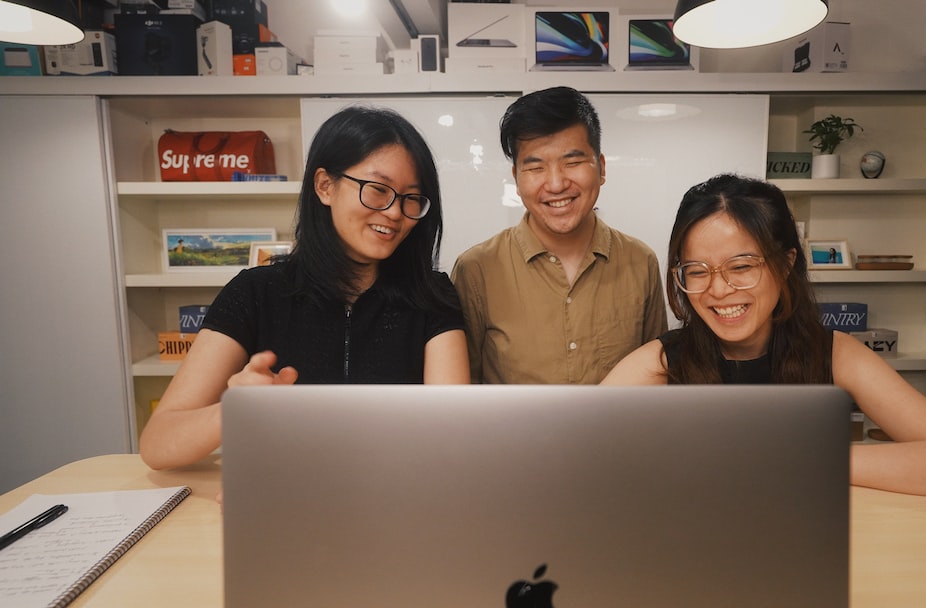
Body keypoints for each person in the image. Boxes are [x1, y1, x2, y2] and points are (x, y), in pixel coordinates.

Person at [603, 174, 926, 498]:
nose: (719, 290)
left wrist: (795, 459)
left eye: (741, 266)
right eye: (697, 270)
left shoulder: (835, 354)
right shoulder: (660, 362)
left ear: (785, 263)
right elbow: (569, 451)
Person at [140, 106, 470, 470]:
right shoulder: (256, 292)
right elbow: (157, 444)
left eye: (410, 198)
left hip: (396, 499)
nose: (395, 212)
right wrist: (235, 410)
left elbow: (450, 437)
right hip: (282, 507)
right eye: (378, 190)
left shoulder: (431, 295)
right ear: (325, 186)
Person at [451, 86, 667, 384]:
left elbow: (656, 378)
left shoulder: (640, 261)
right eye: (536, 167)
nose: (555, 184)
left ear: (601, 168)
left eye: (573, 162)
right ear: (516, 178)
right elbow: (462, 393)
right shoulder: (477, 269)